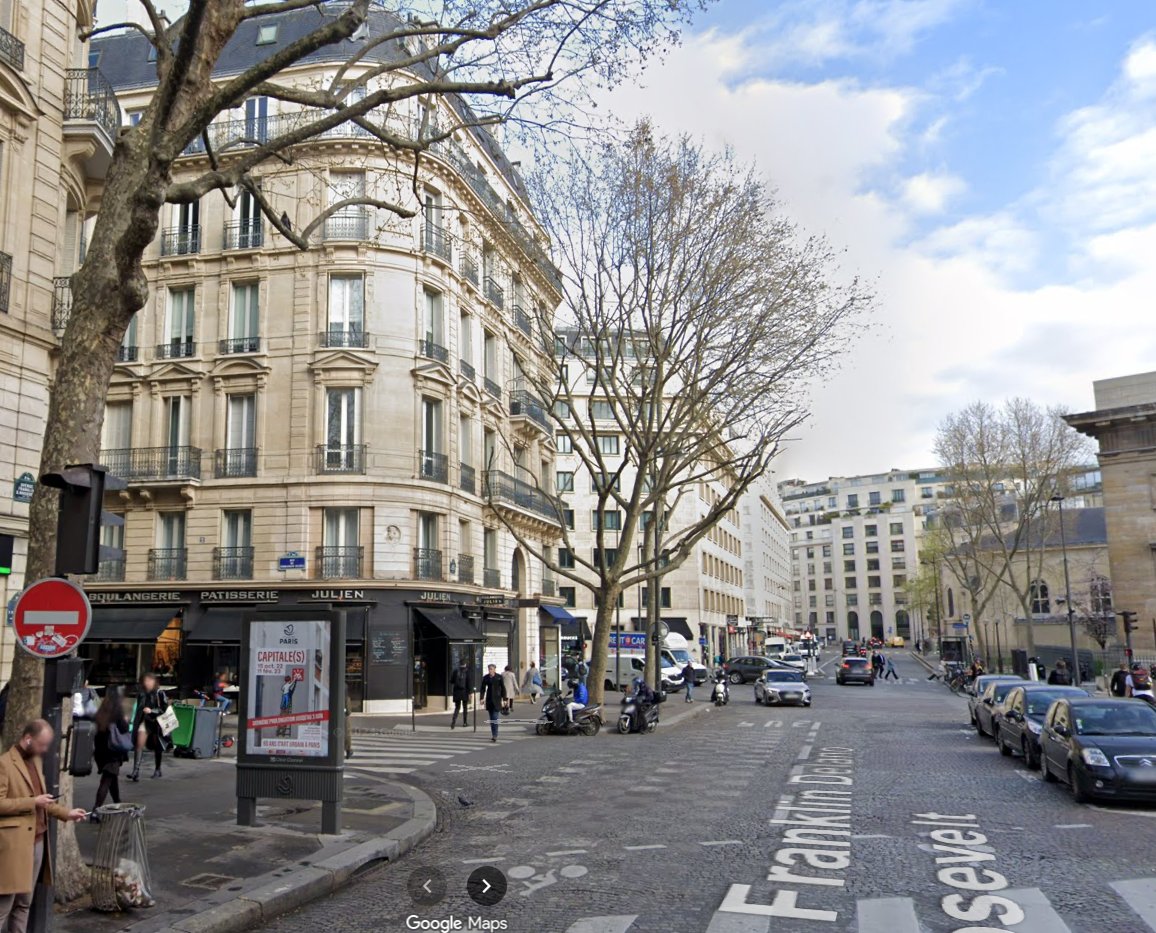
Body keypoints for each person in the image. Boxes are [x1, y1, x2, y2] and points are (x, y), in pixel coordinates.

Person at [0, 720, 86, 933]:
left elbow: (44, 801)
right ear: (28, 739)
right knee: (4, 905)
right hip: (14, 846)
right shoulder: (4, 764)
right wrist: (32, 802)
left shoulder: (36, 762)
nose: (45, 749)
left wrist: (67, 814)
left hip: (37, 842)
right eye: (42, 744)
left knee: (24, 903)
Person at [92, 686, 130, 813]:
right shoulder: (117, 711)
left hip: (101, 752)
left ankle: (117, 802)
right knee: (106, 780)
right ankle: (96, 810)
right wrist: (126, 720)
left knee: (112, 778)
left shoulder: (101, 710)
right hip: (113, 752)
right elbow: (124, 728)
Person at [129, 672, 169, 781]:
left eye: (150, 680)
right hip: (145, 722)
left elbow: (165, 709)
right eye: (146, 681)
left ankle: (157, 769)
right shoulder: (141, 694)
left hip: (156, 723)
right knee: (139, 743)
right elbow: (138, 709)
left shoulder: (160, 693)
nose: (147, 683)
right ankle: (135, 771)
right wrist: (134, 721)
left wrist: (152, 711)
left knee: (157, 746)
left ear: (154, 682)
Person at [480, 664, 503, 741]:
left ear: (494, 669)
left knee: (495, 718)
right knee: (492, 719)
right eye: (489, 669)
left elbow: (503, 688)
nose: (490, 670)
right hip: (489, 700)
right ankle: (493, 734)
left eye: (491, 669)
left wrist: (505, 699)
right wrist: (482, 698)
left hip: (497, 699)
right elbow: (482, 688)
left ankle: (495, 735)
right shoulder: (486, 677)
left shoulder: (499, 677)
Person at [449, 659, 472, 729]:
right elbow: (469, 683)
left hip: (457, 692)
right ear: (465, 664)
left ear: (460, 664)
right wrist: (470, 693)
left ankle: (453, 721)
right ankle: (465, 722)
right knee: (465, 707)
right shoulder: (467, 671)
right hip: (464, 692)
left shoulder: (455, 671)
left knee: (457, 707)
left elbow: (451, 681)